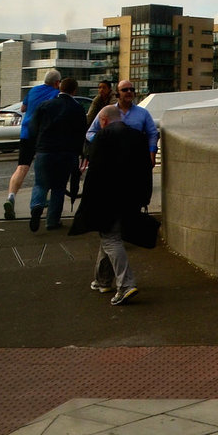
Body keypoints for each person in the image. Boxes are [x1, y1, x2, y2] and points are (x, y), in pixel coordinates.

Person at [70, 102, 152, 305]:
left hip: (106, 197)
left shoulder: (102, 137)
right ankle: (103, 280)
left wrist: (87, 202)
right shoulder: (138, 136)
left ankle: (125, 284)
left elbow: (95, 172)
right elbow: (145, 170)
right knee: (108, 236)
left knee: (110, 239)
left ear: (104, 120)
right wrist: (144, 197)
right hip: (131, 196)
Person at [27, 77, 87, 231]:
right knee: (59, 187)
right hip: (67, 153)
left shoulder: (45, 105)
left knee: (40, 183)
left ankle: (36, 207)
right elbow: (82, 133)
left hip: (45, 150)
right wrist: (80, 153)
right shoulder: (78, 109)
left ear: (60, 88)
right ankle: (52, 221)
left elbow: (33, 128)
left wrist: (38, 144)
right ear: (74, 90)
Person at [5, 69, 61, 219]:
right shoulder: (55, 94)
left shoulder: (33, 90)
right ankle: (43, 198)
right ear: (57, 83)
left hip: (26, 132)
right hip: (43, 135)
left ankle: (11, 197)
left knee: (22, 167)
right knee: (46, 166)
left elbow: (23, 108)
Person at [87, 80, 160, 168]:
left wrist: (152, 154)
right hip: (111, 161)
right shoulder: (107, 111)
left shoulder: (143, 113)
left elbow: (152, 134)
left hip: (134, 160)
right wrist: (101, 141)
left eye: (131, 89)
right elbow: (90, 133)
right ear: (117, 94)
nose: (129, 92)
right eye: (125, 90)